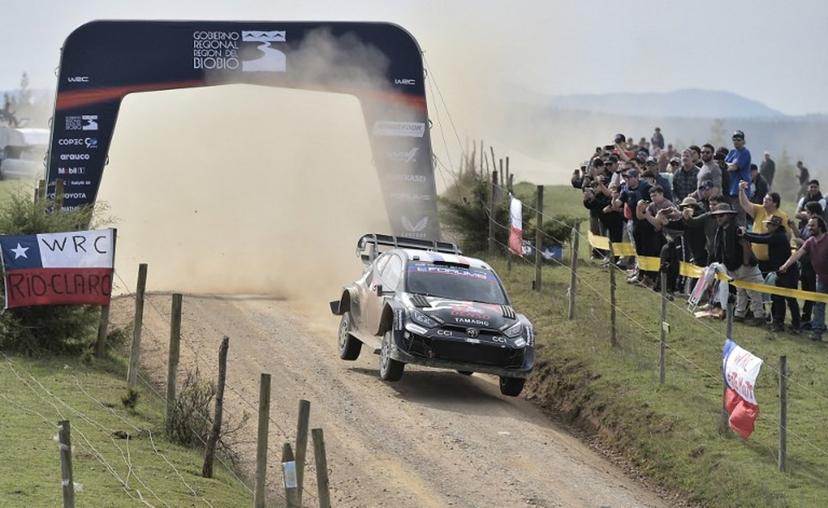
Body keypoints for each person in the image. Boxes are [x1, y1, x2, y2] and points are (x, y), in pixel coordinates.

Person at [740, 216, 800, 332]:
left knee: (791, 299)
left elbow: (761, 240)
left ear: (776, 226)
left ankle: (796, 325)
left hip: (789, 273)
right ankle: (779, 323)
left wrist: (745, 236)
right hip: (781, 272)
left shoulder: (778, 237)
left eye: (769, 224)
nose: (767, 226)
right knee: (778, 298)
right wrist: (746, 234)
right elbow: (760, 236)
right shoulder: (775, 234)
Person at [710, 203, 766, 324]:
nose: (718, 218)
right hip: (733, 267)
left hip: (746, 266)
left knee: (753, 292)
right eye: (717, 216)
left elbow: (746, 246)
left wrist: (745, 263)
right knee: (740, 290)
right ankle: (739, 314)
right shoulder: (720, 230)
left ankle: (759, 316)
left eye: (722, 215)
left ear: (729, 216)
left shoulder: (738, 230)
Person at [779, 216, 828, 341]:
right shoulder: (810, 241)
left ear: (820, 227)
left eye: (813, 225)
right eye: (809, 225)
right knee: (819, 305)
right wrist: (785, 265)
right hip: (822, 280)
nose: (809, 228)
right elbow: (798, 254)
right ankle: (817, 332)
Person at [738, 180, 788, 274]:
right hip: (756, 257)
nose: (765, 201)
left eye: (768, 200)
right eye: (765, 198)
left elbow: (768, 238)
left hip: (772, 260)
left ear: (775, 203)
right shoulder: (760, 209)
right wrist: (741, 190)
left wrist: (746, 235)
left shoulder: (780, 215)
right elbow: (745, 204)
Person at [797, 202, 824, 330]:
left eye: (806, 212)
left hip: (814, 267)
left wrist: (801, 242)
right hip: (805, 264)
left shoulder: (819, 229)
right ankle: (808, 319)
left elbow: (808, 245)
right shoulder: (806, 226)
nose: (804, 214)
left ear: (813, 214)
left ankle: (815, 322)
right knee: (808, 293)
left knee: (814, 295)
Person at [725, 130, 752, 224]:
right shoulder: (732, 152)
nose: (736, 141)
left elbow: (734, 167)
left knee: (739, 218)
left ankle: (742, 237)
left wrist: (725, 165)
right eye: (734, 139)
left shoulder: (745, 152)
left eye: (739, 139)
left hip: (740, 191)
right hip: (730, 190)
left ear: (743, 141)